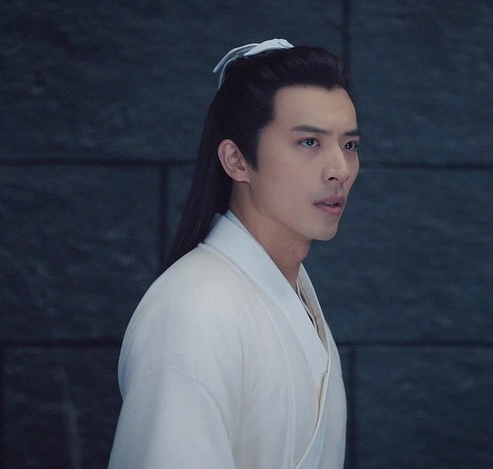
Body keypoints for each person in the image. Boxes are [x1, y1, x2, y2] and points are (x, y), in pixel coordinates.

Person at [108, 38, 360, 469]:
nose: (339, 169)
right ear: (237, 160)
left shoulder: (289, 291)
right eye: (309, 142)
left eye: (349, 145)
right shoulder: (193, 311)